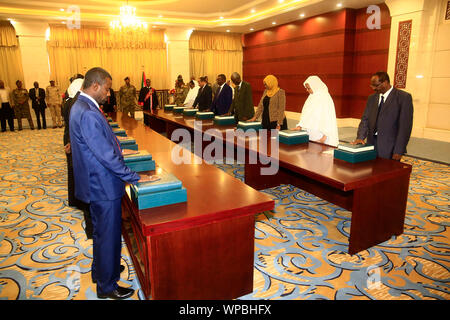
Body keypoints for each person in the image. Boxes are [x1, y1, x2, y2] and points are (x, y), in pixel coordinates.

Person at [69, 67, 156, 299]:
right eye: (107, 89)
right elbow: (105, 156)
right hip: (102, 185)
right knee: (107, 236)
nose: (109, 94)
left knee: (100, 233)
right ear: (95, 85)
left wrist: (120, 147)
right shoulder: (87, 111)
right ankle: (107, 286)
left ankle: (101, 271)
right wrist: (136, 177)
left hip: (95, 183)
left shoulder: (82, 105)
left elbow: (102, 140)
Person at [352, 71, 414, 160]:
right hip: (371, 144)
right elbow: (365, 119)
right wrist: (360, 137)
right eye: (371, 85)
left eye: (376, 85)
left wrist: (398, 150)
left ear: (385, 83)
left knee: (387, 172)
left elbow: (405, 127)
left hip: (390, 147)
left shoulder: (403, 98)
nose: (373, 88)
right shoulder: (372, 98)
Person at [62, 74, 93, 239]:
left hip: (71, 139)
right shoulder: (78, 104)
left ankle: (76, 199)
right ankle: (77, 200)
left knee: (75, 171)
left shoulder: (71, 101)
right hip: (73, 140)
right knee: (77, 170)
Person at [293, 75, 339, 146]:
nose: (307, 90)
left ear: (315, 86)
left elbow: (328, 118)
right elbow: (306, 114)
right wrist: (300, 126)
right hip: (310, 133)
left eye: (308, 88)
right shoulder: (311, 97)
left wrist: (324, 138)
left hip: (321, 136)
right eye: (307, 88)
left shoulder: (325, 97)